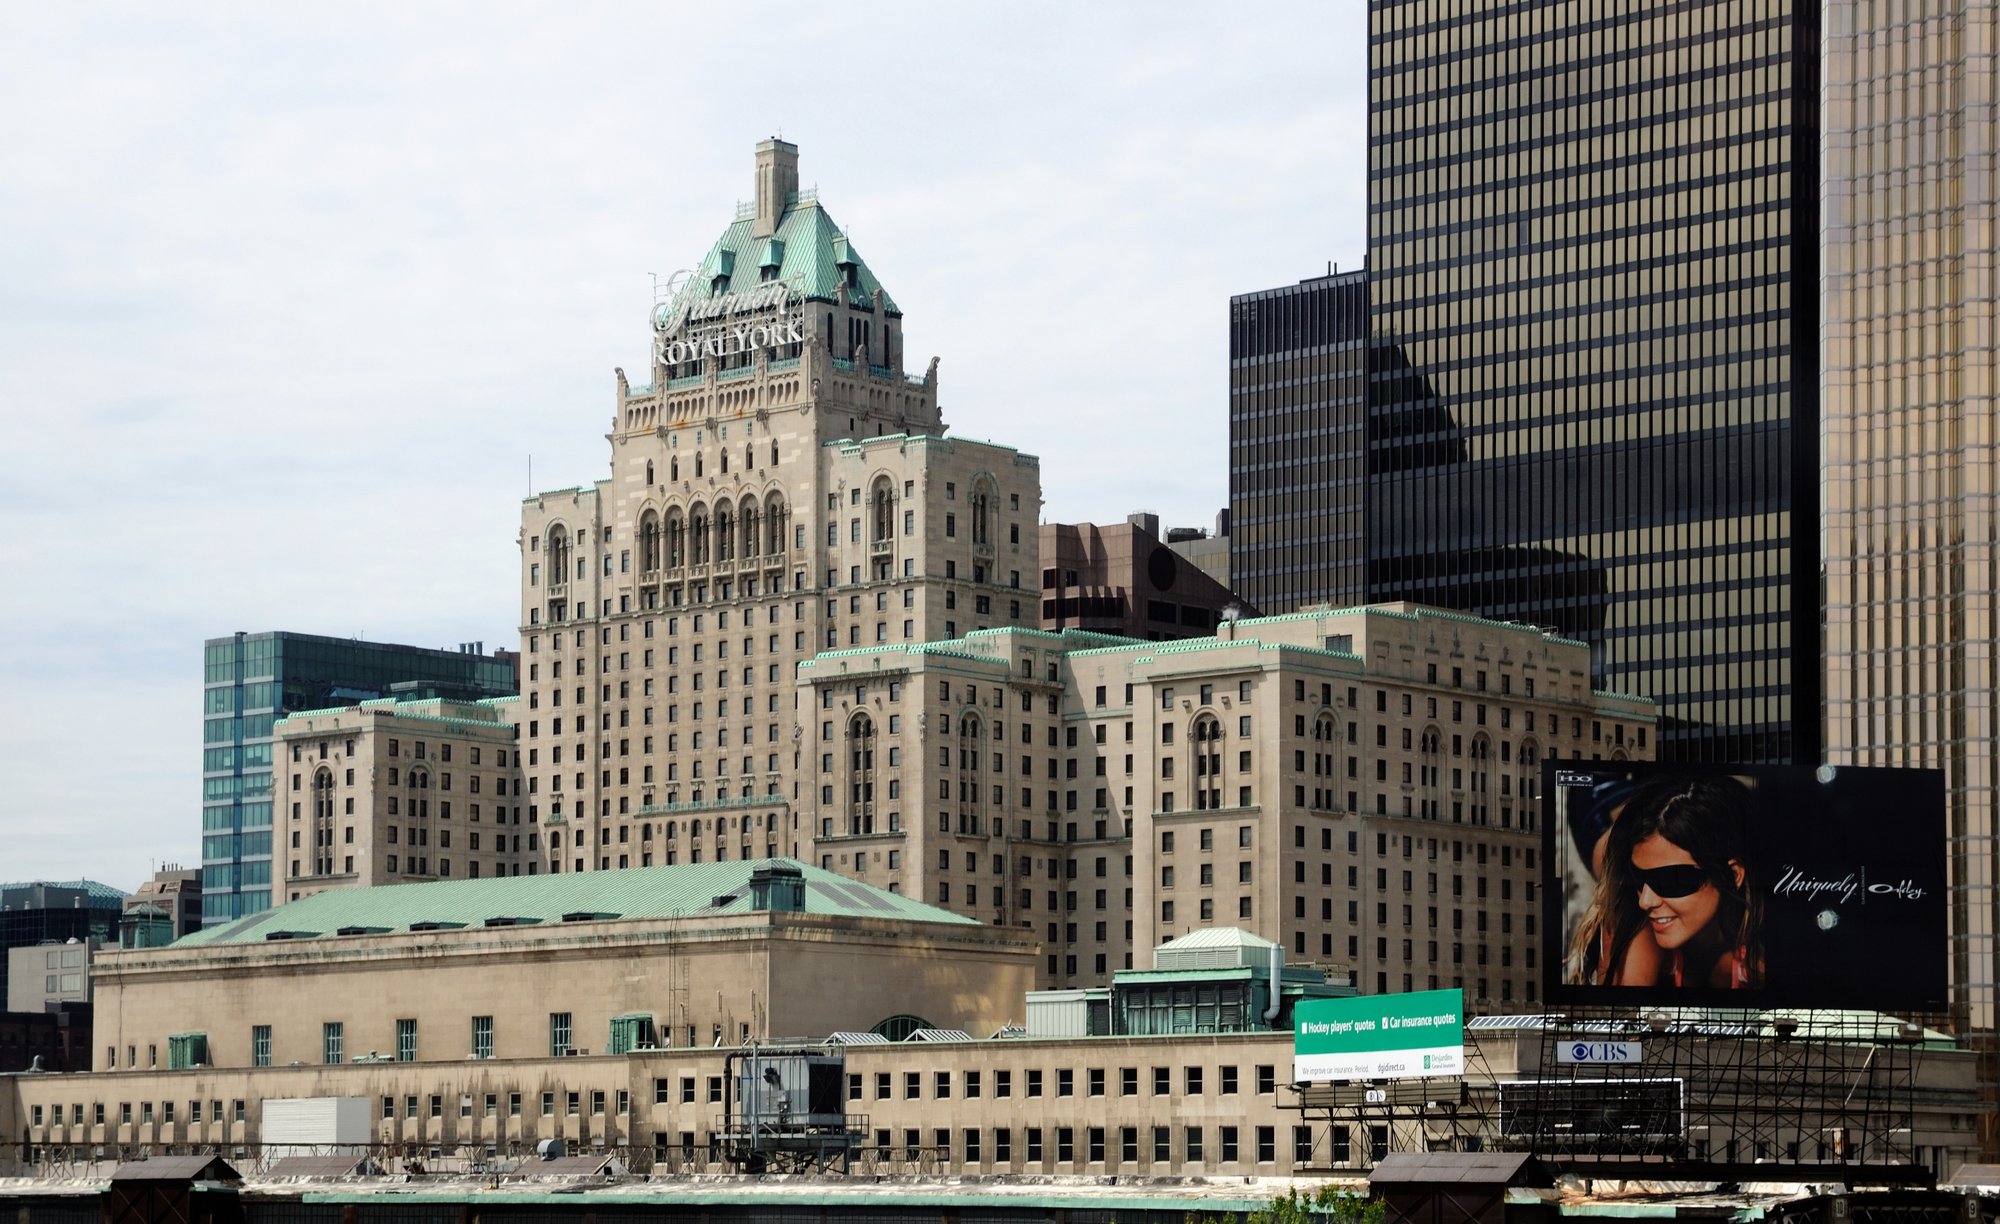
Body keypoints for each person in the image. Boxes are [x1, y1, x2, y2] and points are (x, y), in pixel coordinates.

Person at [1566, 775, 1764, 990]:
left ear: (1734, 875)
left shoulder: (1764, 944)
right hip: (1599, 805)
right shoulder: (1638, 923)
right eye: (1637, 876)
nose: (1645, 901)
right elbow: (1620, 1015)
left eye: (1671, 880)